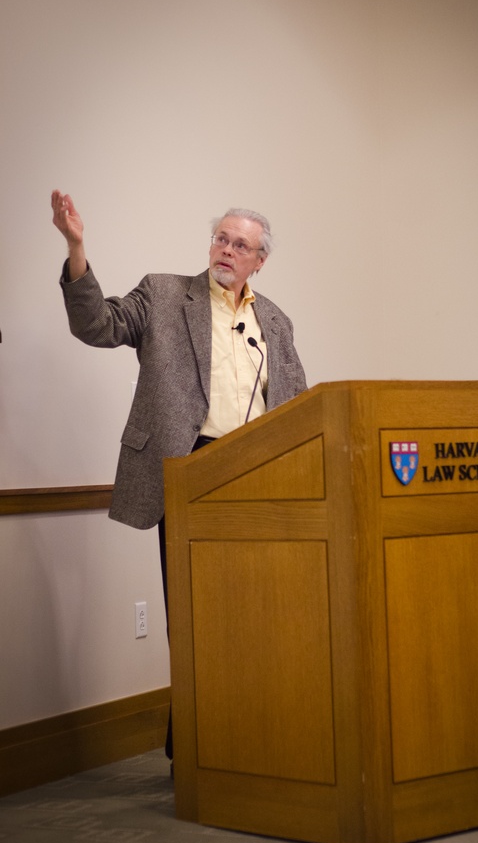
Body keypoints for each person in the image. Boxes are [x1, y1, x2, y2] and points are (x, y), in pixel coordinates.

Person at [51, 189, 307, 763]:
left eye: (241, 245)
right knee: (194, 616)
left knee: (255, 614)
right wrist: (76, 247)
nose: (227, 250)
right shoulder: (165, 295)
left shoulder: (275, 321)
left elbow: (297, 402)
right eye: (221, 238)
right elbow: (96, 324)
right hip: (191, 472)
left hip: (259, 477)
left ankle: (242, 737)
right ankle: (196, 749)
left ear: (260, 260)